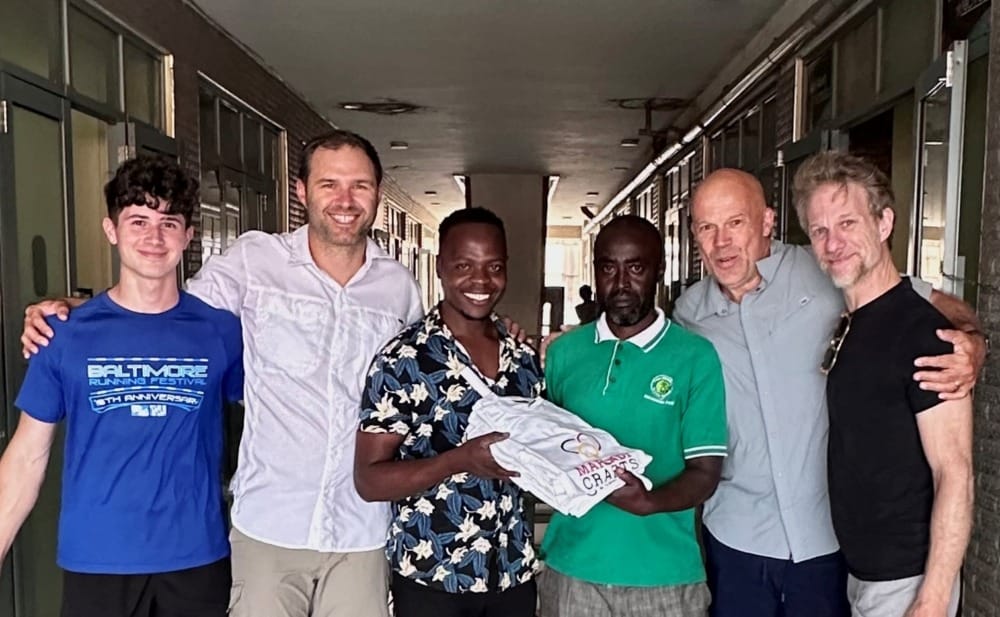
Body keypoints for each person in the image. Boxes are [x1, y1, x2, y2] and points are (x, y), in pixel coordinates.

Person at [20, 130, 425, 617]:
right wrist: (76, 313)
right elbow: (159, 309)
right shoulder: (254, 261)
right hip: (269, 525)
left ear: (378, 193)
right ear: (301, 191)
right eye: (329, 184)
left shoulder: (399, 288)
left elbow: (421, 382)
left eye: (359, 185)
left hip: (361, 527)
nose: (345, 199)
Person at [672, 168, 984, 617]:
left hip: (829, 542)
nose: (722, 242)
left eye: (736, 222)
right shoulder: (689, 315)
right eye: (707, 227)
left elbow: (931, 305)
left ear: (767, 221)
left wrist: (973, 342)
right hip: (737, 535)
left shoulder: (828, 267)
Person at [0, 156, 244, 617]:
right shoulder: (63, 334)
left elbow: (273, 412)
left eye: (169, 223)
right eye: (138, 221)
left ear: (188, 236)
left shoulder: (221, 332)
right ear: (111, 230)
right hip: (97, 558)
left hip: (196, 558)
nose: (154, 237)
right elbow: (27, 456)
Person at [795, 151, 972, 617]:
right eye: (820, 230)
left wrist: (932, 599)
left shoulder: (923, 334)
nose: (834, 243)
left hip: (907, 583)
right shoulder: (851, 323)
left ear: (884, 222)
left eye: (847, 223)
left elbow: (955, 473)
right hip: (863, 576)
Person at [354, 207, 542, 617]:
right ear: (440, 267)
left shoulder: (523, 359)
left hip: (512, 571)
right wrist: (459, 460)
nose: (481, 281)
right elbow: (369, 480)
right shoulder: (404, 360)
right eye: (464, 266)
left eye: (494, 267)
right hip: (433, 577)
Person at [539, 215, 727, 617]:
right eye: (609, 268)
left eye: (636, 268)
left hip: (664, 577)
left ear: (659, 270)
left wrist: (650, 501)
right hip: (571, 569)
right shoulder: (564, 354)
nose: (621, 283)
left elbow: (705, 472)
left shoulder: (695, 357)